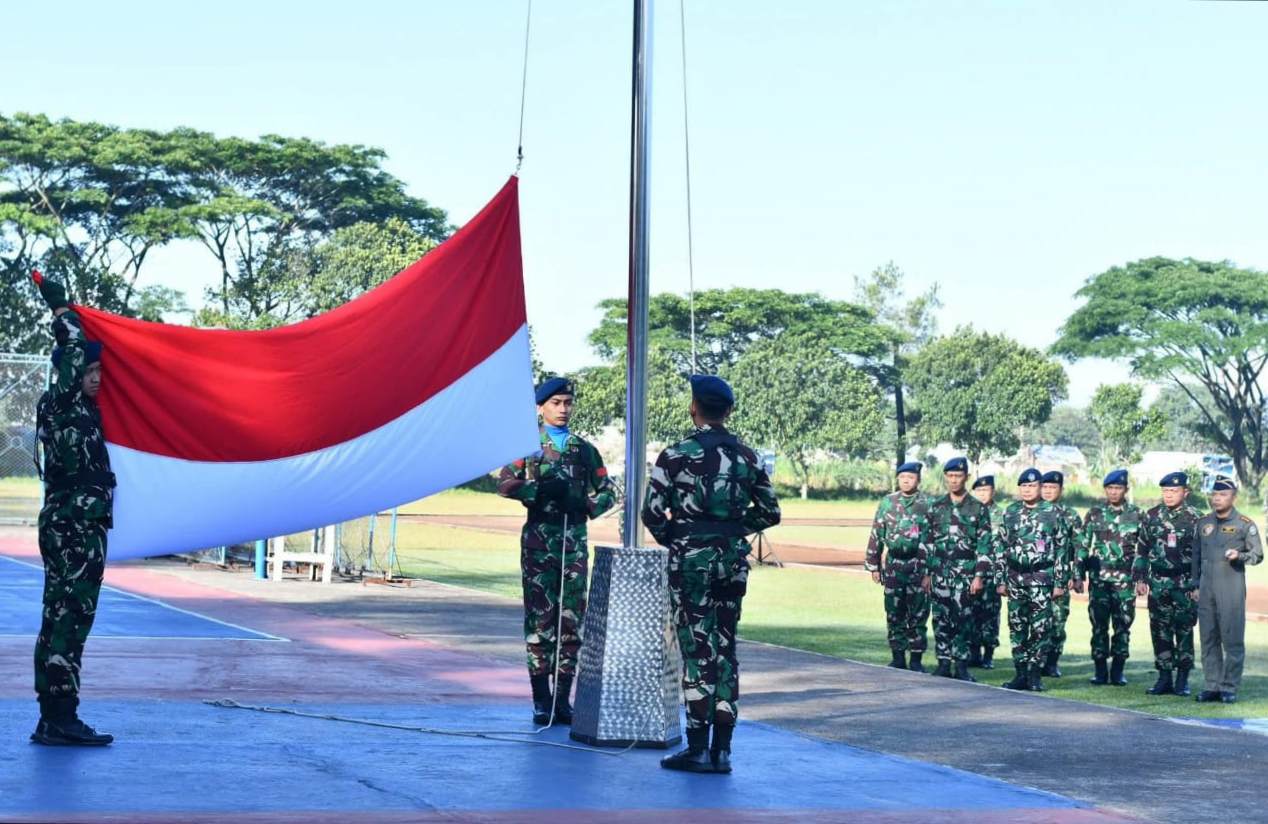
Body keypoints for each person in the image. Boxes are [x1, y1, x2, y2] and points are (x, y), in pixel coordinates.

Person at [642, 375, 781, 774]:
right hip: (731, 564)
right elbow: (770, 512)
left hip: (691, 565)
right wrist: (732, 532)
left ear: (694, 407)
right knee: (725, 652)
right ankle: (723, 750)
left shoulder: (676, 454)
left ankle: (698, 747)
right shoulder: (748, 457)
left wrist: (683, 539)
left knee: (697, 651)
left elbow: (651, 512)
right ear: (729, 411)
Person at [497, 377, 617, 726]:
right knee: (540, 620)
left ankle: (563, 699)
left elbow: (607, 489)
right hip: (539, 540)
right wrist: (538, 490)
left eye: (567, 402)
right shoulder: (529, 447)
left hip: (574, 542)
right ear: (541, 407)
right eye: (556, 403)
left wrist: (586, 502)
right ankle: (541, 698)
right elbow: (504, 483)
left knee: (570, 620)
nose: (563, 409)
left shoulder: (583, 449)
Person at [30, 272, 116, 747]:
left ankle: (54, 716)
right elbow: (75, 344)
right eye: (91, 372)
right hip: (74, 528)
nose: (97, 379)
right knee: (69, 617)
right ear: (71, 372)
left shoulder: (76, 407)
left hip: (76, 524)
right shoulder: (64, 401)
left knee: (63, 616)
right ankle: (61, 716)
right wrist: (61, 306)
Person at [996, 468, 1069, 692]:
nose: (1028, 490)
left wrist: (1060, 582)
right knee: (1017, 625)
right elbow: (1001, 546)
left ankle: (1035, 674)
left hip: (1041, 577)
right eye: (1024, 486)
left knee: (1040, 627)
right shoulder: (1011, 512)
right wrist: (1001, 578)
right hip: (1016, 577)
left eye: (1032, 486)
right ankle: (1020, 673)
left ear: (1039, 487)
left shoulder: (1053, 512)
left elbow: (1061, 549)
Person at [1193, 477, 1263, 704]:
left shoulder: (1245, 524)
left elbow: (1257, 555)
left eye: (1222, 495)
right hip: (1206, 588)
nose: (1217, 499)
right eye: (1214, 494)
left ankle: (1229, 687)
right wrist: (1195, 585)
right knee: (1208, 638)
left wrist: (1239, 556)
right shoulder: (1203, 523)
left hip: (1230, 587)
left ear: (1233, 497)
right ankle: (1212, 685)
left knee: (1232, 639)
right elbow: (1195, 556)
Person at [1133, 471, 1200, 696]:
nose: (1169, 495)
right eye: (1165, 491)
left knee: (1184, 629)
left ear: (1185, 492)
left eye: (1174, 491)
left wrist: (1198, 585)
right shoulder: (1151, 516)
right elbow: (1141, 548)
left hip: (1185, 583)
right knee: (1159, 630)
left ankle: (1182, 679)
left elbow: (1204, 556)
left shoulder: (1196, 518)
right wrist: (1140, 579)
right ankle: (1164, 678)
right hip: (1158, 582)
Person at [1075, 469, 1142, 687]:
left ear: (1126, 490)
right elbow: (1082, 546)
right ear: (1105, 490)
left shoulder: (1137, 515)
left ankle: (1119, 671)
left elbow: (1144, 550)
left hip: (1125, 580)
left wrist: (1142, 578)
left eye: (1118, 488)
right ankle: (1100, 670)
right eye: (1110, 488)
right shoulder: (1094, 514)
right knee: (1099, 626)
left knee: (1122, 626)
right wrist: (1078, 575)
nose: (1114, 492)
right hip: (1099, 580)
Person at [928, 458, 992, 681]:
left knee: (964, 619)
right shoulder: (936, 507)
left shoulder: (977, 508)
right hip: (939, 572)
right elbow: (927, 542)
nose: (954, 480)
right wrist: (927, 574)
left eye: (958, 476)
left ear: (966, 477)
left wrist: (979, 576)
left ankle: (962, 665)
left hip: (965, 573)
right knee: (941, 618)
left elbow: (984, 544)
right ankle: (944, 662)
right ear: (945, 477)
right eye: (950, 476)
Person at [865, 461, 932, 673]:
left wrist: (930, 571)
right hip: (894, 566)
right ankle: (897, 657)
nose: (906, 480)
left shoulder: (928, 504)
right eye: (902, 477)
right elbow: (877, 532)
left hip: (918, 567)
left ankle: (916, 660)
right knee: (894, 613)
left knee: (918, 615)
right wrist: (874, 565)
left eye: (910, 477)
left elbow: (934, 539)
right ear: (897, 479)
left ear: (918, 480)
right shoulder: (888, 502)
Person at [1039, 471, 1082, 678]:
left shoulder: (1070, 515)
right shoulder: (1032, 512)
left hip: (1060, 577)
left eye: (1052, 488)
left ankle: (1052, 662)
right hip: (1036, 576)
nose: (1048, 491)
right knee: (1035, 620)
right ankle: (1035, 661)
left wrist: (1077, 575)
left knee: (1057, 619)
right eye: (1045, 487)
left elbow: (1078, 547)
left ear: (1061, 490)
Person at [969, 476, 1002, 669]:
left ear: (993, 491)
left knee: (990, 615)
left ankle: (988, 655)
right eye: (979, 491)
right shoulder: (968, 513)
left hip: (993, 573)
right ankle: (974, 653)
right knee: (971, 613)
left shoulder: (1001, 515)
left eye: (986, 490)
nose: (982, 494)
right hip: (972, 572)